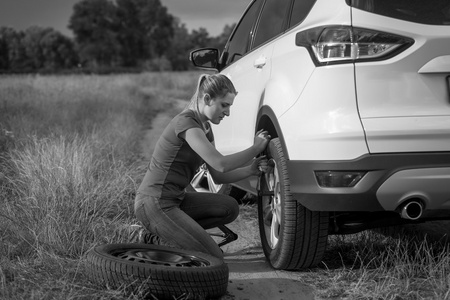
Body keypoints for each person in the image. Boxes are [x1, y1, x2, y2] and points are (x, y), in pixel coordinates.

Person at [134, 73, 270, 259]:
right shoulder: (186, 122)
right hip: (154, 202)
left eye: (230, 106)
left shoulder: (206, 128)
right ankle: (163, 234)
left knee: (229, 207)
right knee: (214, 258)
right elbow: (221, 164)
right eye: (224, 105)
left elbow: (218, 176)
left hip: (176, 200)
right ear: (207, 99)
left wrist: (250, 170)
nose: (228, 113)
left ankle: (159, 235)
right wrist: (255, 148)